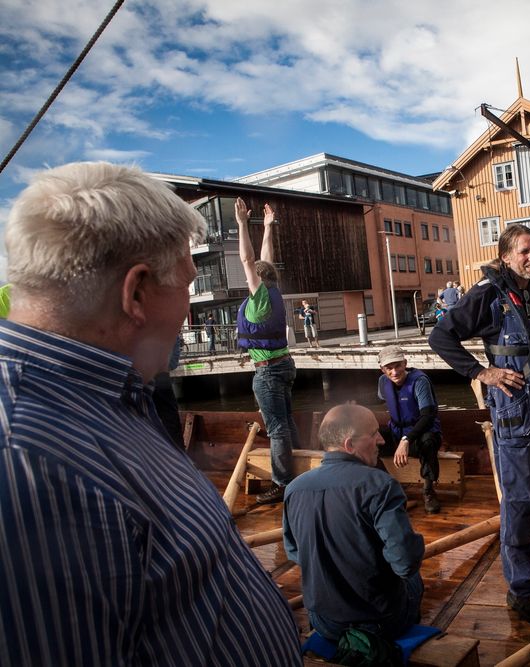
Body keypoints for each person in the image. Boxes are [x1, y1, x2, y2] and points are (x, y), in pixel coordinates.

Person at [0, 162, 300, 664]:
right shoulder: (25, 467)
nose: (187, 311)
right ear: (136, 292)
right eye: (185, 283)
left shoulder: (112, 393)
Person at [429, 223, 530, 626]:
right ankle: (521, 589)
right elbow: (441, 337)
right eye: (524, 251)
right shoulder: (487, 296)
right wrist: (483, 373)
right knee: (520, 502)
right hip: (514, 412)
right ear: (506, 256)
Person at [283, 404, 424, 645]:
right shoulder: (381, 485)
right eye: (373, 434)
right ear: (350, 445)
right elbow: (405, 563)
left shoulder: (294, 488)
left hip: (323, 621)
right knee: (413, 578)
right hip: (379, 621)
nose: (381, 440)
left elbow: (294, 552)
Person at [235, 196, 301, 505]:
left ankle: (282, 483)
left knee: (276, 429)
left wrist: (242, 224)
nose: (248, 277)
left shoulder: (260, 296)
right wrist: (268, 228)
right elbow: (264, 261)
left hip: (269, 372)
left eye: (252, 277)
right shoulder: (274, 291)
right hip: (285, 365)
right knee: (286, 423)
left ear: (258, 281)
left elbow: (250, 261)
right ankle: (298, 470)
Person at [377, 344, 443, 514]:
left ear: (405, 363)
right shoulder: (383, 382)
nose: (394, 372)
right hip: (396, 432)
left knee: (428, 441)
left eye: (398, 365)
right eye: (389, 368)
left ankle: (428, 491)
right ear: (382, 369)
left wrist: (406, 440)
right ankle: (390, 487)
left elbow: (428, 416)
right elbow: (384, 400)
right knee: (368, 439)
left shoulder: (419, 381)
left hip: (420, 433)